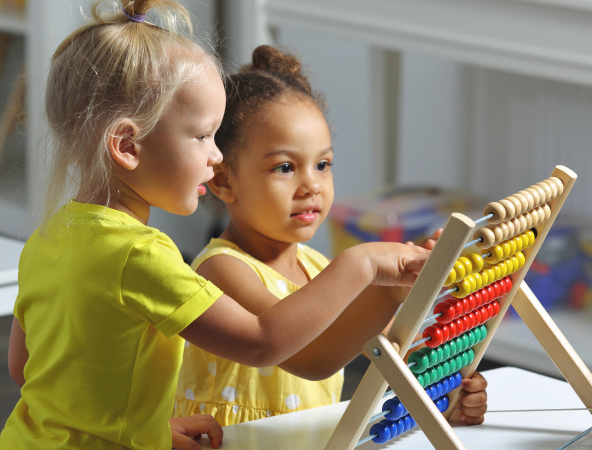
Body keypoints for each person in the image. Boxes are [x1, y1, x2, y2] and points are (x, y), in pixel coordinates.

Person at [0, 3, 430, 449]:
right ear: (128, 146)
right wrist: (363, 264)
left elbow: (29, 367)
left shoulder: (50, 237)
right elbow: (263, 343)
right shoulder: (141, 255)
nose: (216, 156)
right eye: (203, 136)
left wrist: (142, 427)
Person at [173, 45, 488, 429]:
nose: (312, 185)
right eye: (285, 167)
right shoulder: (220, 271)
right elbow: (313, 356)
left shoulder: (319, 269)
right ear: (224, 180)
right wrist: (372, 273)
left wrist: (448, 392)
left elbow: (398, 357)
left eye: (323, 164)